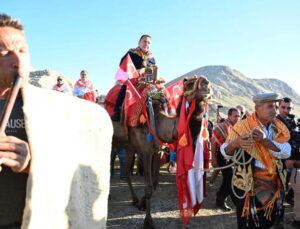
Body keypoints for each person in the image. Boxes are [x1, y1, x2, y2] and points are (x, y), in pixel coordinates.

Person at [220, 92, 291, 228]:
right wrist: (235, 143)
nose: (274, 110)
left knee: (268, 221)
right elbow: (225, 153)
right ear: (257, 108)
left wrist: (265, 141)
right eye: (270, 106)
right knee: (247, 223)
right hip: (247, 185)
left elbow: (286, 152)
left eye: (275, 107)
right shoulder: (242, 126)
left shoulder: (280, 128)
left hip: (273, 183)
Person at [0, 14, 31, 228]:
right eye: (5, 52)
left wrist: (32, 164)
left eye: (22, 51)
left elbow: (72, 164)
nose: (18, 61)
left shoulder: (46, 109)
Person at [111, 34, 156, 121]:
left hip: (146, 81)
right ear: (139, 43)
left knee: (159, 93)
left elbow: (153, 71)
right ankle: (118, 112)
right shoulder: (131, 52)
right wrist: (135, 70)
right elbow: (122, 63)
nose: (146, 44)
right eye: (144, 41)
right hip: (132, 79)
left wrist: (149, 76)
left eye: (149, 43)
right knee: (124, 90)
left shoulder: (151, 57)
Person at [211, 107, 240, 211]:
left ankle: (222, 199)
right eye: (235, 116)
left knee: (231, 180)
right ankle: (221, 200)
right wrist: (213, 158)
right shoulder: (220, 127)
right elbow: (214, 143)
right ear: (229, 116)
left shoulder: (238, 128)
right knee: (229, 180)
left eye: (239, 116)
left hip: (235, 157)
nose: (238, 118)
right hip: (222, 157)